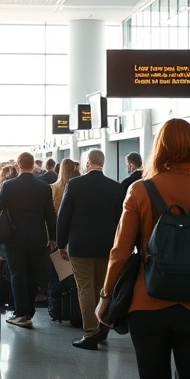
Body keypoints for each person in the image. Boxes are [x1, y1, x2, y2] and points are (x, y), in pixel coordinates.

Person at [95, 119, 190, 379]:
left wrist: (106, 297)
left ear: (159, 148)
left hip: (147, 304)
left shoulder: (139, 191)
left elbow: (120, 252)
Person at [56, 149, 124, 350]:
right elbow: (121, 221)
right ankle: (102, 330)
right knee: (103, 289)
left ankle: (90, 333)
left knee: (85, 288)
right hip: (107, 248)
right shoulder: (116, 188)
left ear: (87, 163)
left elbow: (64, 216)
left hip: (80, 246)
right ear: (102, 163)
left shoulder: (75, 185)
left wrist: (61, 243)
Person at [0, 152, 57, 328]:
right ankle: (29, 311)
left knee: (17, 273)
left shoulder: (8, 185)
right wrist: (53, 237)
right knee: (32, 274)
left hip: (13, 237)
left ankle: (21, 313)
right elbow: (50, 216)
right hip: (37, 238)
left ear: (18, 165)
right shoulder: (44, 187)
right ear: (32, 165)